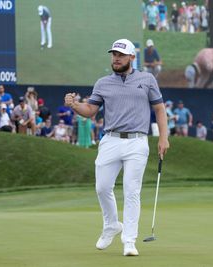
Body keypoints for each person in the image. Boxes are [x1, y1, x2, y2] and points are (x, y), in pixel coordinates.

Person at [64, 38, 169, 256]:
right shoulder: (103, 83)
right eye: (114, 54)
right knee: (102, 187)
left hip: (137, 141)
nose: (116, 58)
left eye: (121, 55)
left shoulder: (147, 79)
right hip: (110, 140)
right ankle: (111, 224)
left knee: (132, 191)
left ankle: (129, 241)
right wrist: (74, 105)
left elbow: (159, 108)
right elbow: (90, 110)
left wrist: (163, 138)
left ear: (132, 57)